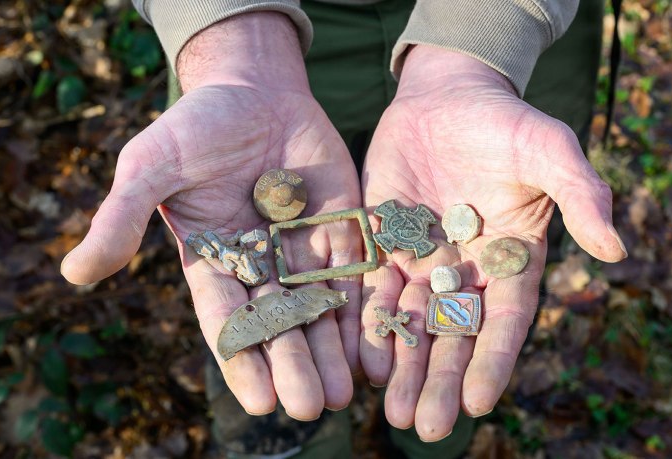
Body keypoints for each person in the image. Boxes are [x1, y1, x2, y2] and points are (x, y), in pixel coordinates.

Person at [61, 0, 627, 456]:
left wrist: (477, 43)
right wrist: (233, 50)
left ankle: (435, 439)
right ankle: (288, 444)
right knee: (278, 373)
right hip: (260, 32)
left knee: (463, 337)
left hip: (511, 42)